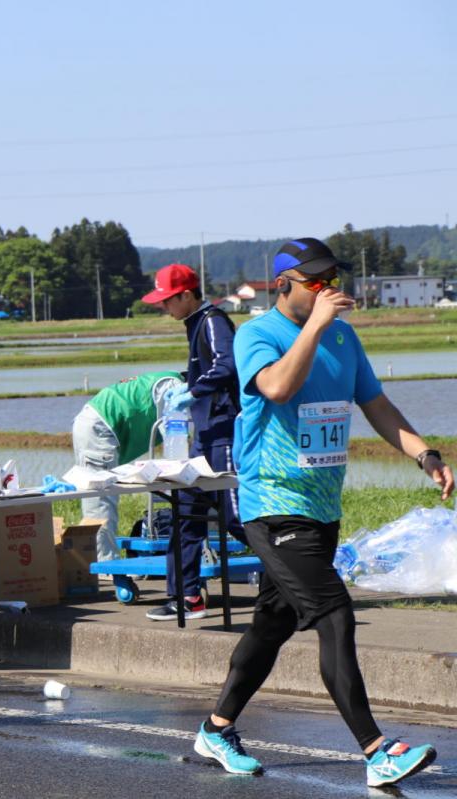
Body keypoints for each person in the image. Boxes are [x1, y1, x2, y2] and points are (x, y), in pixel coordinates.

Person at [193, 237, 453, 787]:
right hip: (272, 503)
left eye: (332, 279)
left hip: (320, 504)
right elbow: (278, 388)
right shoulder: (259, 336)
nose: (329, 290)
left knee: (273, 621)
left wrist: (423, 454)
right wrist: (313, 328)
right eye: (316, 282)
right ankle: (377, 750)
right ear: (283, 284)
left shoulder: (342, 335)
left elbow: (375, 403)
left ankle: (217, 728)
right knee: (334, 614)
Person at [142, 263, 244, 621]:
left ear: (187, 295)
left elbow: (228, 366)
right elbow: (207, 369)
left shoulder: (213, 320)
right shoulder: (194, 325)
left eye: (168, 300)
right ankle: (187, 597)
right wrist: (184, 382)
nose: (164, 307)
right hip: (202, 435)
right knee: (184, 511)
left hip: (223, 433)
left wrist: (194, 391)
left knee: (236, 519)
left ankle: (295, 581)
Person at [70, 371, 183, 562]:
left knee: (99, 500)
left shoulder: (167, 379)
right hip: (100, 429)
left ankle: (88, 561)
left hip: (96, 424)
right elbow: (175, 434)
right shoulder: (173, 387)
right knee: (101, 502)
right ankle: (105, 565)